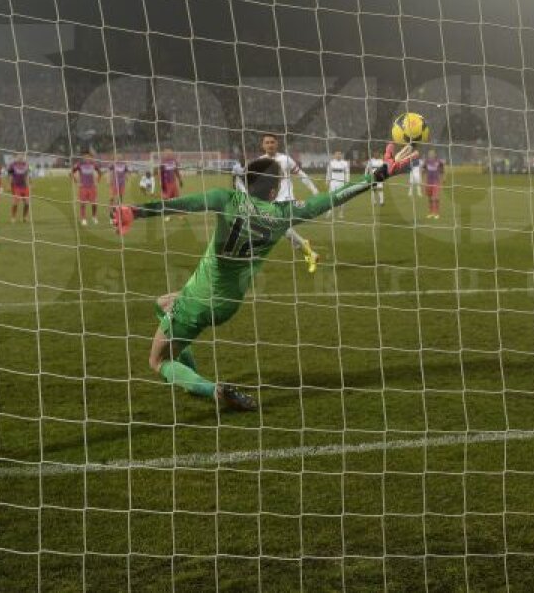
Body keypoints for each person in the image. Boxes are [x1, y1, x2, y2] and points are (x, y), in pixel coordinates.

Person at [111, 143, 417, 411]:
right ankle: (191, 373)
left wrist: (135, 212)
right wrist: (376, 176)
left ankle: (211, 390)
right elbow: (332, 198)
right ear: (273, 191)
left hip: (199, 298)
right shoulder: (283, 215)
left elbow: (179, 205)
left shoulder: (226, 199)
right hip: (228, 303)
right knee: (162, 303)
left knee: (158, 362)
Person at [257, 133, 321, 272]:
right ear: (263, 145)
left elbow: (301, 174)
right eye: (267, 142)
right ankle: (308, 250)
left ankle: (308, 251)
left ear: (277, 144)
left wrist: (314, 190)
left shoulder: (285, 159)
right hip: (271, 203)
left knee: (277, 228)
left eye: (272, 142)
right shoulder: (259, 162)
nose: (270, 145)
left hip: (286, 201)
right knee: (281, 230)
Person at [71, 150, 102, 226]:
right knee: (82, 204)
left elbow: (100, 172)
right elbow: (71, 172)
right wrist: (76, 181)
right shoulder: (79, 164)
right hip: (83, 187)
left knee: (94, 203)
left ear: (91, 157)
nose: (87, 158)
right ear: (83, 157)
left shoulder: (93, 164)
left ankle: (94, 217)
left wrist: (97, 181)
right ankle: (83, 218)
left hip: (92, 187)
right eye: (85, 157)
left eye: (88, 157)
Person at [155, 149, 183, 221]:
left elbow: (176, 171)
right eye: (168, 154)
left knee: (177, 199)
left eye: (170, 154)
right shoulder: (163, 163)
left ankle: (179, 214)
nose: (170, 155)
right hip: (166, 183)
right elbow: (159, 173)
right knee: (167, 200)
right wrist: (160, 182)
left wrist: (180, 180)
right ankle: (167, 215)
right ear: (165, 155)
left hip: (173, 182)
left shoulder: (174, 162)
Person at [325, 150, 351, 218]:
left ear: (341, 155)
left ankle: (341, 212)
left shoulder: (345, 163)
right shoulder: (331, 163)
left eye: (339, 154)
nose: (338, 155)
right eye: (337, 154)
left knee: (341, 198)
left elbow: (347, 173)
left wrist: (347, 181)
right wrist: (327, 181)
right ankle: (329, 211)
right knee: (331, 197)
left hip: (341, 182)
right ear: (334, 155)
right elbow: (328, 173)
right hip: (333, 182)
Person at [7, 153, 31, 222]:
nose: (20, 158)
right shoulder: (12, 165)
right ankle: (13, 217)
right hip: (16, 186)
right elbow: (10, 175)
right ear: (16, 157)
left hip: (24, 186)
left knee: (27, 203)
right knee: (15, 202)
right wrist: (9, 185)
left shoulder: (26, 165)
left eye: (21, 157)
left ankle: (25, 217)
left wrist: (30, 183)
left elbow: (27, 175)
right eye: (19, 157)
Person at [423, 149, 445, 219]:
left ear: (435, 154)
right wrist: (421, 179)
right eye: (430, 153)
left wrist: (444, 178)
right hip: (428, 182)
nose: (431, 154)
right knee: (429, 198)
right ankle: (431, 213)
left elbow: (443, 170)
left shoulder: (439, 162)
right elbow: (423, 170)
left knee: (436, 198)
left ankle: (436, 213)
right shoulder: (426, 161)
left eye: (432, 153)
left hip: (436, 182)